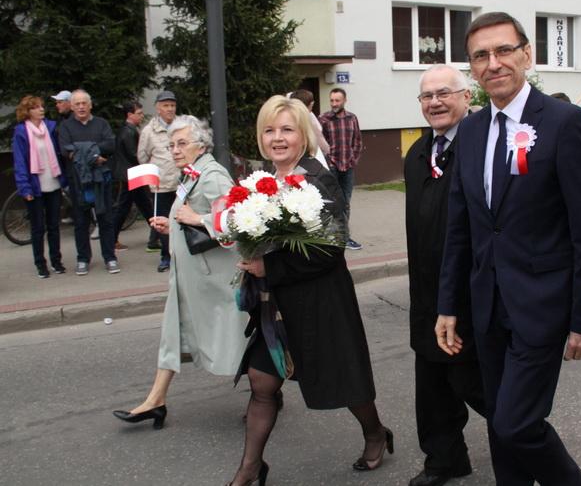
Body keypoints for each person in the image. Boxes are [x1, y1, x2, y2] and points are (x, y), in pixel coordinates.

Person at [436, 12, 581, 486]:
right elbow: (461, 227)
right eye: (480, 56)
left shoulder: (564, 122)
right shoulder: (470, 130)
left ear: (527, 54)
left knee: (516, 423)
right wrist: (448, 304)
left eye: (504, 50)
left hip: (542, 306)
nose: (493, 63)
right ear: (472, 68)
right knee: (499, 423)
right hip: (486, 306)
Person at [228, 96, 391, 485]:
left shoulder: (319, 179)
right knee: (261, 381)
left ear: (303, 135)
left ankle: (375, 433)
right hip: (275, 304)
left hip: (320, 301)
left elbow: (331, 250)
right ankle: (250, 469)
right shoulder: (261, 180)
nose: (277, 138)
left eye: (287, 130)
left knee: (346, 382)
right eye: (270, 130)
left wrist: (270, 266)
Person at [112, 116, 248, 429]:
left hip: (211, 280)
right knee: (172, 333)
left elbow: (237, 220)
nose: (174, 150)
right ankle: (156, 400)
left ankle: (267, 391)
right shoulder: (193, 172)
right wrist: (171, 225)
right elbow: (188, 218)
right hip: (190, 277)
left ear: (201, 145)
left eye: (182, 143)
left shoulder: (212, 175)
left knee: (237, 335)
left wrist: (198, 219)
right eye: (172, 144)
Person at [405, 65, 486, 486]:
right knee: (432, 384)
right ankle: (445, 459)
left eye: (444, 93)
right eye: (427, 96)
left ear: (467, 96)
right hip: (425, 291)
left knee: (476, 383)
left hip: (470, 292)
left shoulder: (482, 147)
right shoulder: (417, 153)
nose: (435, 102)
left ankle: (532, 452)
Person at [58, 89, 119, 275]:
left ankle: (110, 257)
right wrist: (94, 155)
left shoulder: (102, 124)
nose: (81, 107)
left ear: (90, 105)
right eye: (77, 104)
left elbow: (110, 145)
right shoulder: (66, 127)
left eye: (84, 103)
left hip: (102, 180)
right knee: (81, 222)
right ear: (72, 107)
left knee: (106, 219)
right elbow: (65, 150)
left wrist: (82, 150)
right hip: (78, 181)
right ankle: (83, 259)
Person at [12, 95, 67, 278]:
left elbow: (59, 154)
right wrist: (24, 187)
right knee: (37, 228)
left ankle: (56, 261)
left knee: (54, 226)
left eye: (42, 106)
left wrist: (64, 179)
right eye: (36, 107)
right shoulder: (21, 132)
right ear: (28, 112)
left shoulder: (50, 127)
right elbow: (20, 162)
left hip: (53, 183)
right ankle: (40, 264)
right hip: (35, 186)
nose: (41, 109)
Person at [138, 91, 181, 271]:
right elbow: (142, 156)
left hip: (182, 184)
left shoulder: (183, 126)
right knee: (163, 222)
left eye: (172, 105)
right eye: (166, 105)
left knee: (182, 220)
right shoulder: (149, 131)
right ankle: (166, 256)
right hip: (161, 186)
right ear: (158, 108)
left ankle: (182, 256)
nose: (170, 109)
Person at [319, 87, 363, 250]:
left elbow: (357, 141)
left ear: (344, 100)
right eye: (332, 100)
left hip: (348, 167)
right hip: (332, 167)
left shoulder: (352, 118)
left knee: (345, 203)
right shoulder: (323, 119)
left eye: (337, 100)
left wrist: (353, 160)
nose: (334, 103)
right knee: (332, 202)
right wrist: (328, 163)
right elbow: (319, 145)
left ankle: (345, 238)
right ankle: (331, 237)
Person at [112, 101, 153, 251]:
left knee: (144, 205)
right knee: (125, 207)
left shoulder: (127, 130)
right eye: (139, 113)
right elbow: (134, 154)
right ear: (130, 115)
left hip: (131, 174)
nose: (141, 116)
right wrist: (149, 159)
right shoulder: (128, 132)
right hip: (131, 175)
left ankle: (157, 235)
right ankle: (112, 239)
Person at [287, 89, 330, 167]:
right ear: (311, 104)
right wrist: (329, 151)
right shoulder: (308, 119)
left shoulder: (287, 117)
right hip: (309, 157)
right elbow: (320, 140)